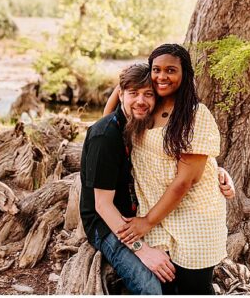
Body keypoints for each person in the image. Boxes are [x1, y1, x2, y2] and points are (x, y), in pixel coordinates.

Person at [80, 63, 234, 295]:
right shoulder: (104, 137)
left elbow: (168, 159)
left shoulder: (141, 119)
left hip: (138, 214)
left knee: (177, 277)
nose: (141, 101)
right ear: (121, 93)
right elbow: (102, 205)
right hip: (106, 223)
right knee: (151, 287)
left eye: (148, 94)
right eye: (133, 93)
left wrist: (214, 170)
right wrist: (142, 250)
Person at [114, 44, 228, 295]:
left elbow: (184, 182)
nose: (161, 76)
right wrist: (123, 85)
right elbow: (110, 118)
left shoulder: (195, 115)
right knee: (168, 288)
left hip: (194, 218)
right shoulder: (146, 106)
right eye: (156, 70)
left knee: (194, 289)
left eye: (170, 70)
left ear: (184, 74)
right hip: (157, 214)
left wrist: (145, 223)